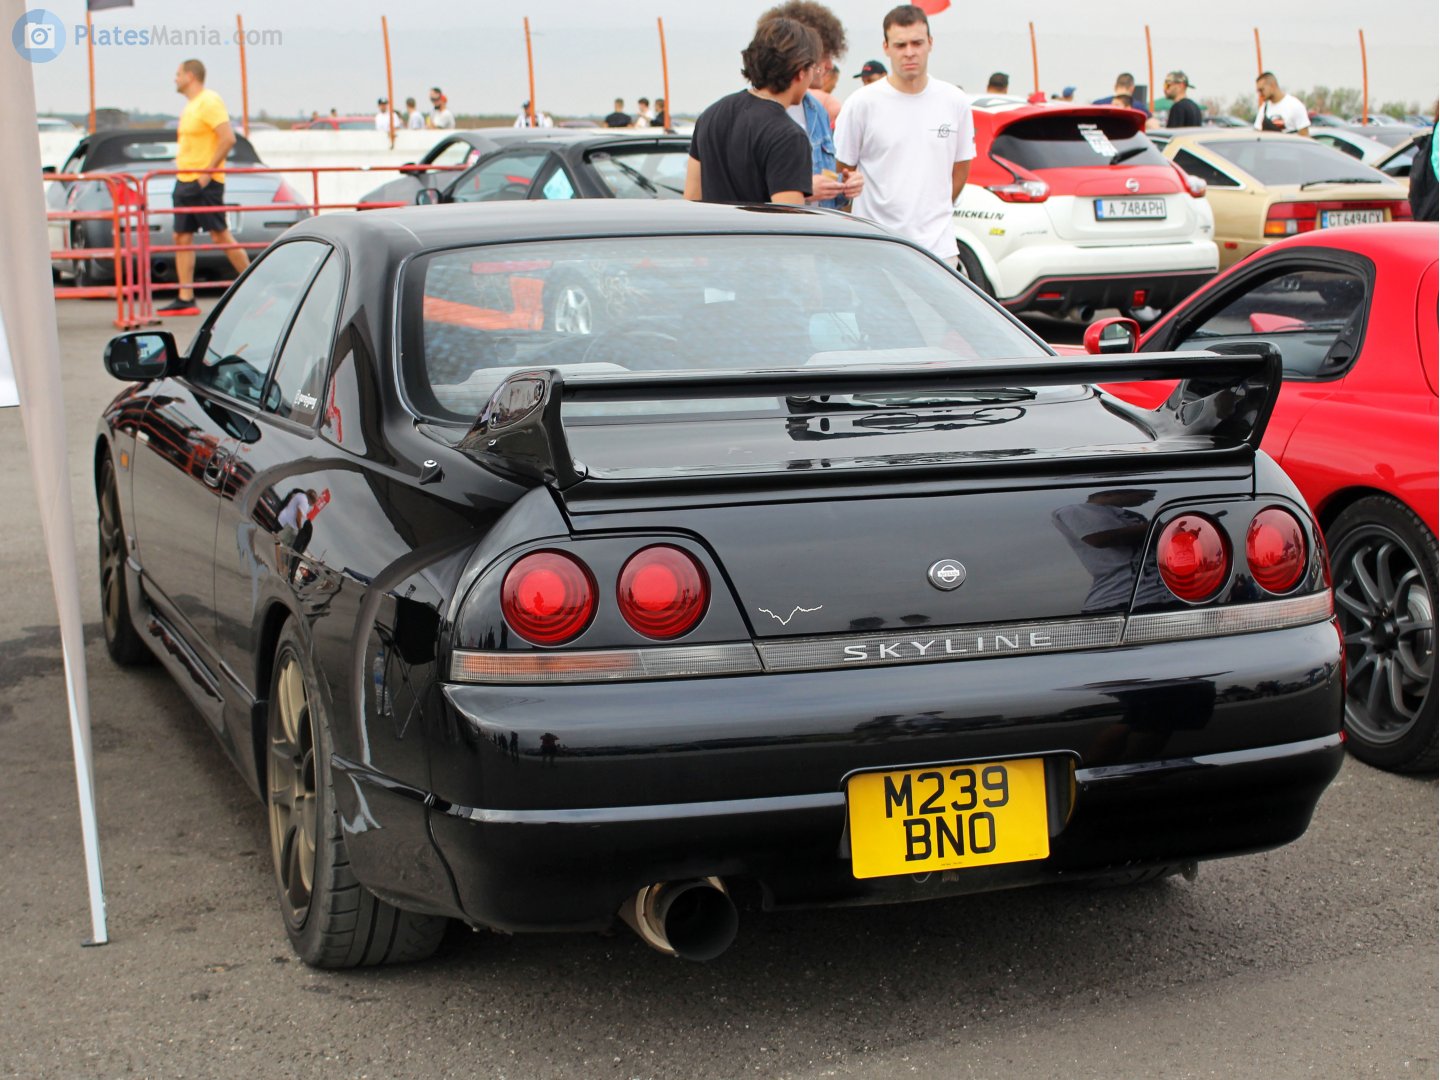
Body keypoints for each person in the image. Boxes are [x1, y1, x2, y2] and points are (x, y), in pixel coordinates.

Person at [833, 5, 975, 266]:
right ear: (886, 47)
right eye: (900, 45)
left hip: (938, 250)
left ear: (930, 43)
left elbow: (961, 168)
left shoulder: (955, 101)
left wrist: (934, 210)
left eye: (917, 43)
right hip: (877, 247)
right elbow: (844, 171)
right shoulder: (861, 103)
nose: (910, 52)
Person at [684, 16, 817, 205]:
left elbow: (692, 198)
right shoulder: (789, 136)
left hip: (713, 234)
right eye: (814, 68)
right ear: (801, 71)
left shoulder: (710, 115)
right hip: (758, 236)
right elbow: (789, 223)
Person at [162, 59, 250, 316]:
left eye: (178, 74)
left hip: (205, 182)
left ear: (190, 76)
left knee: (220, 235)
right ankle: (185, 296)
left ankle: (256, 285)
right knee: (181, 236)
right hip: (185, 180)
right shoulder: (190, 106)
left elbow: (228, 138)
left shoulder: (209, 101)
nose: (175, 79)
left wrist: (206, 173)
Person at [759, 1, 861, 207]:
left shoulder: (818, 112)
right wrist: (803, 190)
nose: (830, 65)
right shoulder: (758, 116)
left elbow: (826, 187)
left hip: (819, 231)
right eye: (823, 55)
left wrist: (844, 187)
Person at [1254, 72, 1309, 136]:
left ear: (1273, 85)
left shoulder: (1295, 106)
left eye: (1261, 90)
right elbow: (1257, 133)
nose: (1260, 94)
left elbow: (1305, 137)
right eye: (1258, 91)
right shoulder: (1264, 109)